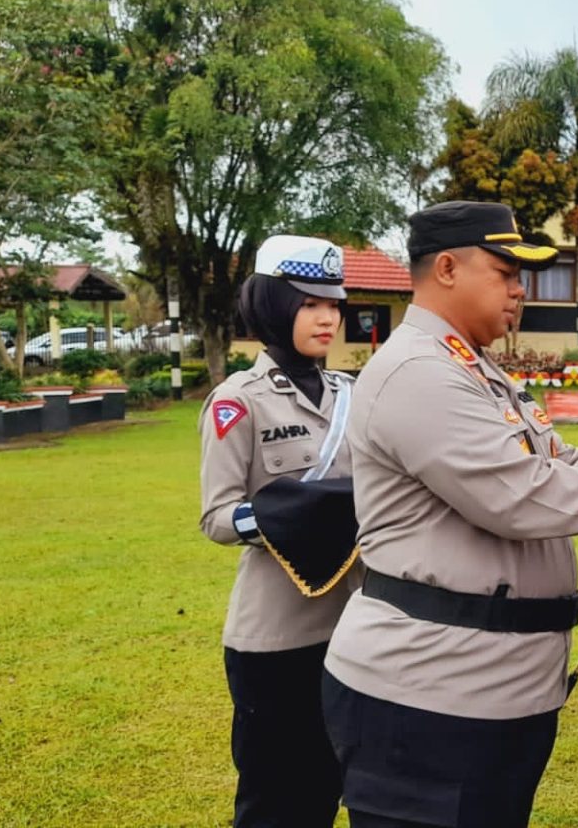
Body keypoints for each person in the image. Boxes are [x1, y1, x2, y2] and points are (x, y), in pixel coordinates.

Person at [320, 200, 578, 828]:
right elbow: (521, 493)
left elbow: (557, 459)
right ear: (446, 268)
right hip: (430, 698)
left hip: (483, 688)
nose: (518, 289)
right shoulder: (422, 373)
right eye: (503, 271)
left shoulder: (473, 368)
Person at [198, 235, 361, 828]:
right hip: (276, 637)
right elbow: (216, 517)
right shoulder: (238, 402)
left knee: (334, 782)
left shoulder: (354, 394)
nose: (327, 317)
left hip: (353, 625)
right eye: (308, 303)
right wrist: (285, 516)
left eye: (334, 304)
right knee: (273, 796)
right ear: (272, 304)